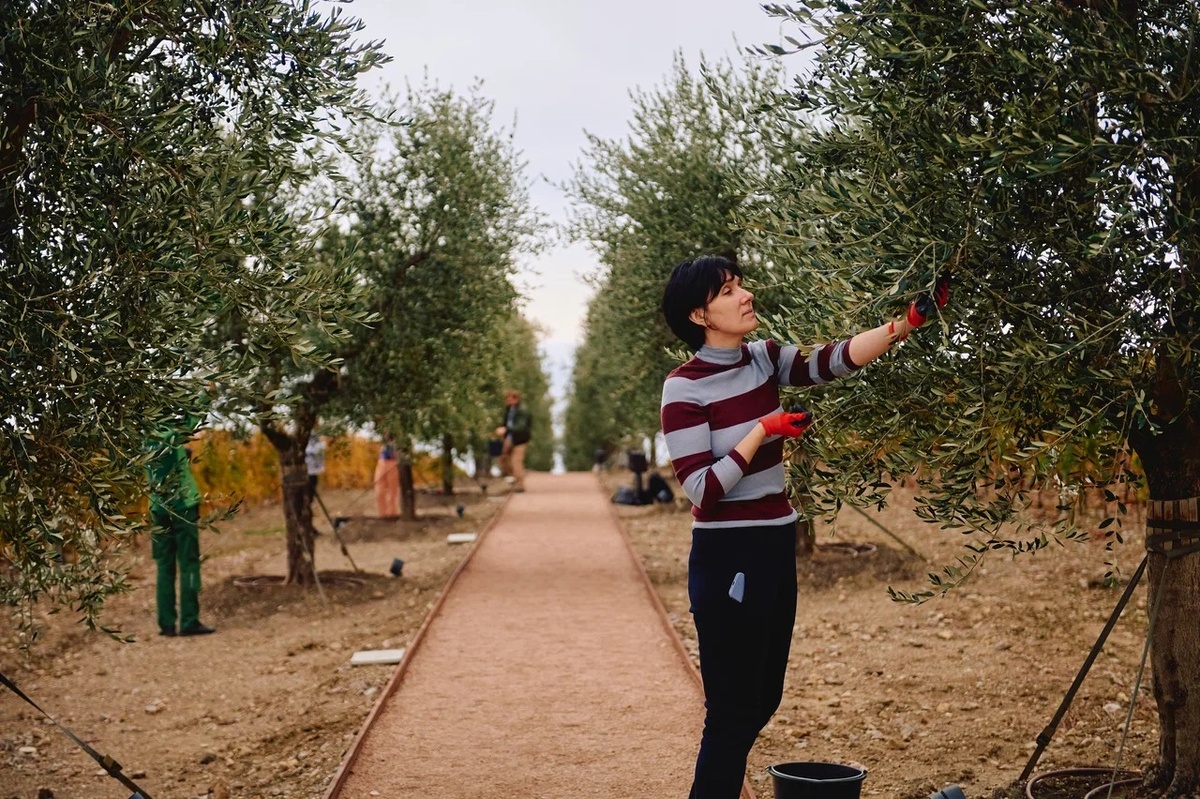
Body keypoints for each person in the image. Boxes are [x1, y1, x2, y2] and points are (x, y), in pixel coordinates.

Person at [659, 255, 948, 798]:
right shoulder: (684, 388)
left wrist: (904, 325)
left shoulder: (765, 359)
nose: (745, 296)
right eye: (728, 291)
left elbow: (832, 361)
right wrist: (762, 430)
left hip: (773, 542)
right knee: (731, 709)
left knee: (764, 696)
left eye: (741, 285)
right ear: (700, 314)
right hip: (728, 555)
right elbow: (701, 489)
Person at [145, 411, 215, 637]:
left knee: (164, 567)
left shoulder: (142, 437)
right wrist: (207, 389)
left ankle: (166, 623)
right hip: (182, 506)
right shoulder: (171, 434)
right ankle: (189, 621)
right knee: (189, 564)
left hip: (157, 508)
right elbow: (194, 418)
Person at [494, 389, 532, 493]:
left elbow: (521, 426)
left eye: (511, 399)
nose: (509, 401)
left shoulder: (522, 411)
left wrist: (506, 429)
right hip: (509, 438)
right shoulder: (509, 410)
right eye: (508, 399)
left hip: (520, 440)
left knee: (516, 461)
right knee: (503, 459)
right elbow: (506, 423)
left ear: (516, 399)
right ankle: (514, 478)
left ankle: (520, 484)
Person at [375, 434, 400, 517]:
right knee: (379, 491)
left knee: (392, 492)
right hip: (381, 464)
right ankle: (382, 514)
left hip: (393, 464)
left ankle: (391, 514)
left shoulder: (398, 442)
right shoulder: (382, 444)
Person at [305, 434, 328, 499]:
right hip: (312, 471)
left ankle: (310, 498)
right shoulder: (320, 446)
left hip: (310, 471)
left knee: (312, 484)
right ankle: (310, 498)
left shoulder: (308, 447)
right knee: (312, 484)